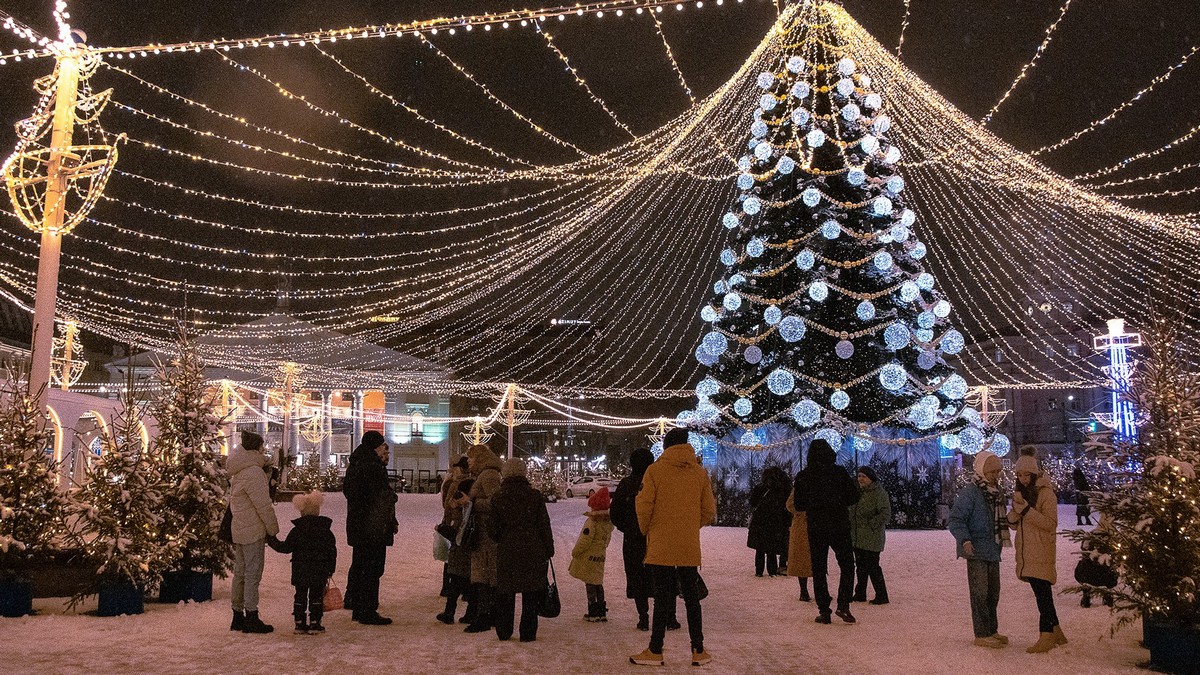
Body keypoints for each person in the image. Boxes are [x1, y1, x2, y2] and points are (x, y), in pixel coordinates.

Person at [630, 428, 716, 667]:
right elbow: (709, 510)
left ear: (666, 446)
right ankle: (698, 649)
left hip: (661, 544)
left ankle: (656, 649)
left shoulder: (655, 471)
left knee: (662, 598)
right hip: (688, 545)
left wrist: (648, 529)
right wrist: (689, 526)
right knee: (691, 598)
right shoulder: (699, 473)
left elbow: (644, 506)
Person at [793, 439, 860, 624]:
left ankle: (824, 610)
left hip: (816, 526)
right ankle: (843, 604)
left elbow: (799, 504)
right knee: (847, 564)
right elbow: (854, 496)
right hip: (839, 524)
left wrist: (815, 503)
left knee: (819, 568)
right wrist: (837, 502)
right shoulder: (839, 473)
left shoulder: (804, 476)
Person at [488, 459, 555, 642]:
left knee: (506, 593)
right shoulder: (534, 496)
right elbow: (544, 524)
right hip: (533, 549)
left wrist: (504, 536)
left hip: (508, 550)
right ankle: (527, 632)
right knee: (531, 593)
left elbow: (492, 529)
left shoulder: (498, 497)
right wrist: (549, 548)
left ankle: (504, 630)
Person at [948, 449, 1010, 648]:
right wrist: (965, 540)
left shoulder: (997, 492)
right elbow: (956, 520)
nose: (995, 476)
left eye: (997, 472)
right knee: (980, 592)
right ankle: (982, 633)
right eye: (991, 472)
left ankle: (992, 629)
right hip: (975, 549)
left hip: (993, 549)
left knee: (993, 592)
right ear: (982, 470)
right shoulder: (971, 493)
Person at [612, 448, 678, 631]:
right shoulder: (660, 481)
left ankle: (643, 617)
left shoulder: (626, 484)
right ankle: (669, 617)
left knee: (637, 577)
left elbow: (615, 513)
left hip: (634, 539)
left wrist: (628, 528)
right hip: (659, 536)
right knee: (664, 576)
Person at [1010, 453, 1067, 653]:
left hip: (1041, 550)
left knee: (1043, 595)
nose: (1023, 479)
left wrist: (1026, 510)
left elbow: (1050, 524)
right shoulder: (1021, 493)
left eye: (1026, 475)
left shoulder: (1046, 494)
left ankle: (1046, 635)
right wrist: (1015, 511)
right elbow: (1015, 524)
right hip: (1027, 551)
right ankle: (1056, 631)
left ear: (1034, 474)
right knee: (1041, 593)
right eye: (1019, 475)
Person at [227, 430, 280, 634]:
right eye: (262, 446)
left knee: (239, 573)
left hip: (239, 528)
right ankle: (251, 616)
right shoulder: (253, 472)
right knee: (252, 575)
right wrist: (272, 529)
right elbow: (263, 505)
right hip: (252, 531)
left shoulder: (240, 469)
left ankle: (237, 615)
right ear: (256, 448)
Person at [343, 430, 397, 625]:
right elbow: (381, 497)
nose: (384, 448)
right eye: (382, 445)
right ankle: (368, 609)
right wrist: (392, 497)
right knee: (373, 568)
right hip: (373, 526)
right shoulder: (373, 467)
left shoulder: (355, 464)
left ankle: (358, 606)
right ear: (375, 446)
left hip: (358, 524)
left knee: (360, 565)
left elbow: (350, 493)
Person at [268, 491, 336, 634]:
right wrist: (330, 569)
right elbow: (332, 552)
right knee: (316, 595)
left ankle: (299, 622)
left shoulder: (297, 531)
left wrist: (271, 540)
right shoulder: (325, 531)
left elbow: (285, 548)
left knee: (300, 594)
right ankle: (315, 622)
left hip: (301, 570)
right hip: (319, 569)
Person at [463, 444, 504, 633]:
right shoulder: (485, 474)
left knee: (484, 574)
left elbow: (496, 502)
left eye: (470, 458)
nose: (468, 461)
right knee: (483, 573)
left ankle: (485, 615)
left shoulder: (488, 475)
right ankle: (488, 614)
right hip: (482, 531)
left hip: (486, 532)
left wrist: (472, 502)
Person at [437, 457, 475, 625]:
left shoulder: (465, 506)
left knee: (457, 578)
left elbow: (457, 527)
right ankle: (462, 611)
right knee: (463, 578)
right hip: (463, 545)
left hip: (462, 545)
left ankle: (451, 612)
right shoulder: (463, 487)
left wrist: (444, 526)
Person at [570, 486, 614, 622]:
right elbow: (606, 540)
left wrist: (575, 552)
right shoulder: (607, 523)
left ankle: (593, 610)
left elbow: (585, 540)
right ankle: (601, 610)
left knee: (590, 583)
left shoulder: (592, 522)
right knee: (598, 582)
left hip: (589, 556)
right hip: (600, 555)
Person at [849, 466, 891, 605]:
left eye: (863, 476)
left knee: (873, 566)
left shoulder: (879, 493)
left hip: (872, 536)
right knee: (860, 566)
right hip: (858, 536)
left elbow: (885, 513)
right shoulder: (858, 492)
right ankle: (860, 593)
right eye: (859, 476)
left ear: (871, 478)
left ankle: (881, 595)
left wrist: (872, 524)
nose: (860, 479)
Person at [747, 466, 791, 577]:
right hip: (774, 521)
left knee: (760, 549)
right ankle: (772, 571)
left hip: (759, 521)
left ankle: (759, 571)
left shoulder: (759, 488)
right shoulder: (780, 489)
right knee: (771, 548)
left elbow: (752, 503)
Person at [785, 485, 813, 602]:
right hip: (802, 525)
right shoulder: (800, 486)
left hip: (811, 525)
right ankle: (804, 590)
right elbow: (790, 505)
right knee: (803, 559)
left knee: (815, 559)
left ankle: (819, 590)